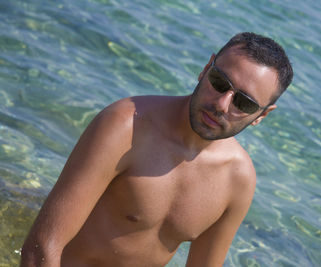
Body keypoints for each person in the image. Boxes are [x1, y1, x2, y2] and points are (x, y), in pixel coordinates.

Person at [20, 32, 293, 267]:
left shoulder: (238, 180)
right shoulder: (127, 126)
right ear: (206, 67)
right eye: (220, 82)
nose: (222, 104)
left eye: (243, 103)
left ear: (261, 116)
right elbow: (41, 248)